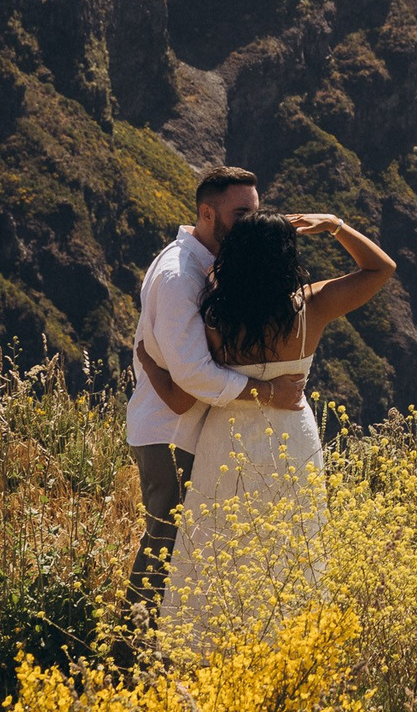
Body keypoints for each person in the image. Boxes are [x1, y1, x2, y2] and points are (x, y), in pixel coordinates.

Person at [136, 206, 395, 647]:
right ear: (287, 258)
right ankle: (287, 647)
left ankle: (209, 646)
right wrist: (335, 224)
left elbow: (181, 397)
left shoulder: (216, 320)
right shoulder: (311, 307)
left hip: (225, 441)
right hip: (292, 437)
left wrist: (148, 364)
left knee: (218, 545)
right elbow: (380, 268)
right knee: (293, 542)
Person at [123, 166, 309, 631]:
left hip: (188, 429)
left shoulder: (207, 267)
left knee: (187, 551)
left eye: (256, 212)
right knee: (165, 546)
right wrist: (268, 391)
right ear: (207, 213)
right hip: (171, 432)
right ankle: (128, 655)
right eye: (240, 212)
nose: (251, 222)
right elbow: (192, 376)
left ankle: (167, 652)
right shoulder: (179, 275)